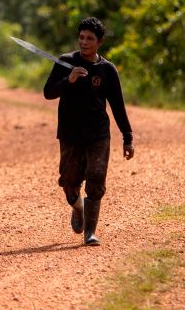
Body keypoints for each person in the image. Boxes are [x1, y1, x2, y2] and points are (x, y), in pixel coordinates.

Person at [43, 16, 134, 245]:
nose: (84, 42)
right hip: (70, 133)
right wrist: (68, 80)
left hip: (98, 134)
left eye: (90, 38)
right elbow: (48, 92)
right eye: (81, 37)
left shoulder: (107, 70)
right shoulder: (66, 62)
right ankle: (78, 208)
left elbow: (117, 106)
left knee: (96, 179)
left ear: (99, 42)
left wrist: (127, 137)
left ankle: (90, 233)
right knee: (69, 182)